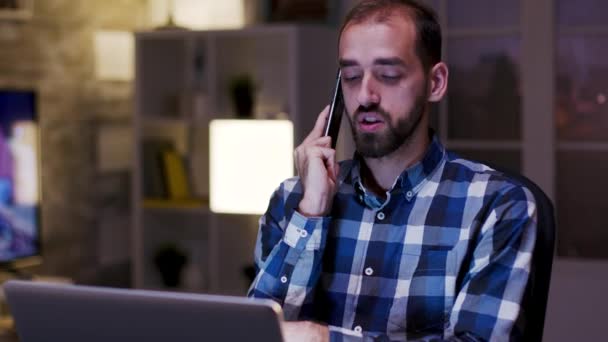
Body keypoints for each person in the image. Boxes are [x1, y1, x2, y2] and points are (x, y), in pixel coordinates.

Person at [248, 1, 536, 341]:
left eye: (388, 75)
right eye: (352, 77)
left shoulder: (497, 206)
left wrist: (321, 338)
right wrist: (310, 214)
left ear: (436, 82)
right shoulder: (292, 200)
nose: (365, 96)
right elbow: (256, 333)